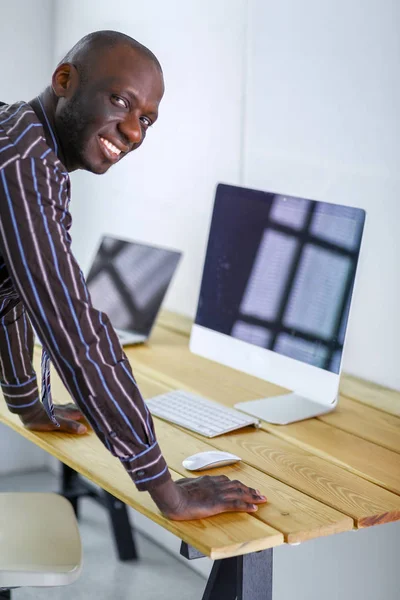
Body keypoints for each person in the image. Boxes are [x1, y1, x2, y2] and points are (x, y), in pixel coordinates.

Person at [0, 30, 266, 520]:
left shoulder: (19, 134)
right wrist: (170, 492)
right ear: (64, 80)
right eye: (120, 101)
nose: (134, 132)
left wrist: (29, 404)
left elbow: (8, 283)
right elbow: (73, 330)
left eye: (145, 119)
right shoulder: (21, 163)